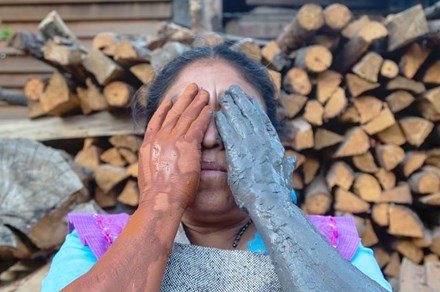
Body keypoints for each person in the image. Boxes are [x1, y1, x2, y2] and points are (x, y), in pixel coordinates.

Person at [42, 44, 392, 291]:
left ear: (271, 139)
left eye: (236, 118)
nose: (211, 139)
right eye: (188, 119)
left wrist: (270, 202)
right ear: (150, 142)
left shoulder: (333, 245)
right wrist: (161, 201)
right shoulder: (96, 243)